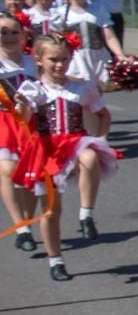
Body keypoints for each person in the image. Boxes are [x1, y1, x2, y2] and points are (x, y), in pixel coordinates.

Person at [11, 33, 118, 280]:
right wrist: (23, 104)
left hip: (75, 141)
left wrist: (101, 139)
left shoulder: (81, 87)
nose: (60, 65)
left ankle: (86, 215)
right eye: (53, 60)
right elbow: (23, 124)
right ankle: (55, 260)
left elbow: (103, 114)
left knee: (90, 157)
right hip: (46, 150)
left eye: (65, 59)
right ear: (38, 59)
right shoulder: (33, 89)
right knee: (50, 210)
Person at [0, 13, 40, 251]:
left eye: (14, 31)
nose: (9, 36)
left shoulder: (32, 62)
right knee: (6, 170)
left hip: (30, 122)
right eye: (3, 32)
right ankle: (22, 228)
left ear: (24, 35)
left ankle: (26, 220)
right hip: (2, 122)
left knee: (30, 178)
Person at [59, 0, 127, 86]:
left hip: (97, 58)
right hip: (75, 60)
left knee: (97, 95)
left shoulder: (98, 10)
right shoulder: (61, 13)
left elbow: (109, 37)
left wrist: (119, 55)